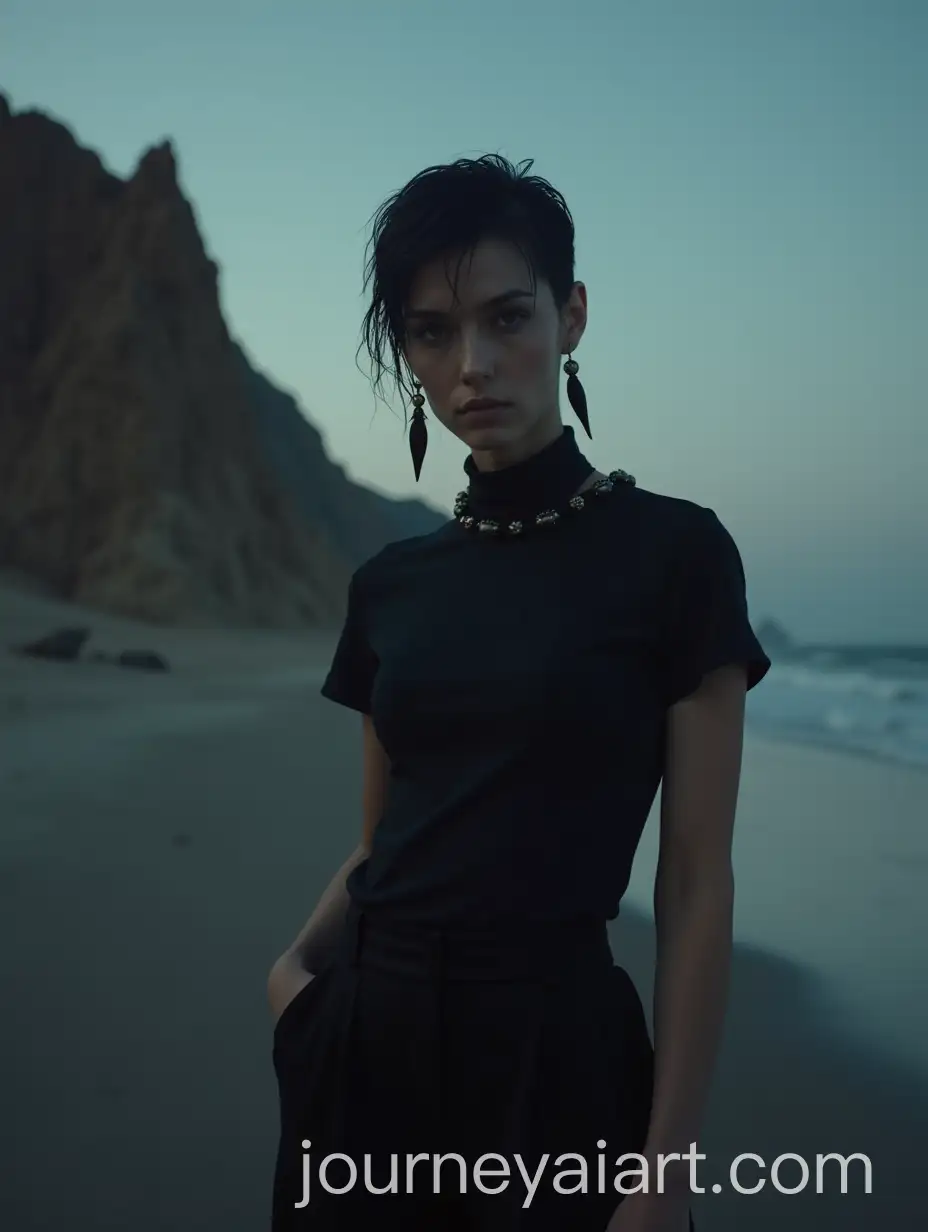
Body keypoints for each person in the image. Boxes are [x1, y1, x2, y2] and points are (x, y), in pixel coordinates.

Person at [266, 155, 771, 1231]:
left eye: (506, 317)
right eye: (432, 332)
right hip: (364, 1060)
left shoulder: (675, 555)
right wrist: (296, 973)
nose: (472, 367)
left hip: (555, 1061)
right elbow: (382, 841)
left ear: (571, 313)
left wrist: (663, 1169)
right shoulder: (391, 585)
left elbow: (694, 884)